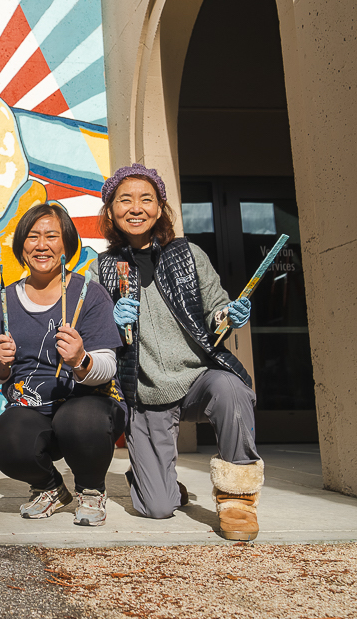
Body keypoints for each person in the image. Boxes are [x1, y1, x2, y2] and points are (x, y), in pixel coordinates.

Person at [95, 163, 263, 541]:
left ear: (159, 209)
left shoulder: (188, 254)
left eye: (146, 199)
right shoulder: (102, 269)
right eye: (125, 200)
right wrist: (110, 319)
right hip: (146, 391)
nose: (135, 208)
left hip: (198, 379)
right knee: (157, 508)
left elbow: (216, 308)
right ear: (111, 210)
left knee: (232, 389)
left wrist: (228, 315)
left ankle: (238, 499)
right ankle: (156, 481)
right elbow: (98, 335)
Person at [0, 203, 125, 526]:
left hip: (86, 405)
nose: (41, 245)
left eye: (51, 236)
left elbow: (108, 365)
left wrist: (80, 360)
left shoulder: (89, 294)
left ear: (66, 244)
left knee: (81, 419)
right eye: (32, 237)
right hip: (32, 407)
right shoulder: (3, 301)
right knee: (4, 439)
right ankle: (49, 487)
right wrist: (0, 364)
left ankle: (90, 489)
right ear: (21, 246)